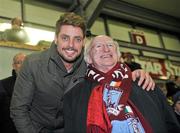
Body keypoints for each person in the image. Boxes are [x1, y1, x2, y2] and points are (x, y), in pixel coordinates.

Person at [11, 12, 155, 133]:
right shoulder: (32, 63)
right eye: (65, 38)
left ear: (84, 41)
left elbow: (111, 69)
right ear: (55, 38)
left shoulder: (90, 66)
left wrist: (134, 73)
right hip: (34, 129)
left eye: (77, 39)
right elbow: (18, 109)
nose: (71, 45)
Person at [64, 35, 180, 133]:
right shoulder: (75, 95)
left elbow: (171, 124)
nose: (106, 49)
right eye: (98, 46)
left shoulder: (144, 84)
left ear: (118, 55)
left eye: (110, 45)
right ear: (88, 58)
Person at [0, 52, 26, 133]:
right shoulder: (3, 84)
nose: (23, 65)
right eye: (19, 62)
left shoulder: (38, 84)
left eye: (25, 62)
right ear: (14, 66)